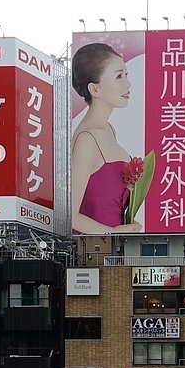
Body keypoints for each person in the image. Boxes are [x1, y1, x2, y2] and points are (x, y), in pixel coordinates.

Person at [71, 43, 143, 233]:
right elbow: (70, 217)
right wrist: (113, 233)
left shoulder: (109, 130)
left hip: (115, 252)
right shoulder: (86, 139)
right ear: (95, 90)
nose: (127, 84)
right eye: (119, 76)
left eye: (126, 75)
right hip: (92, 255)